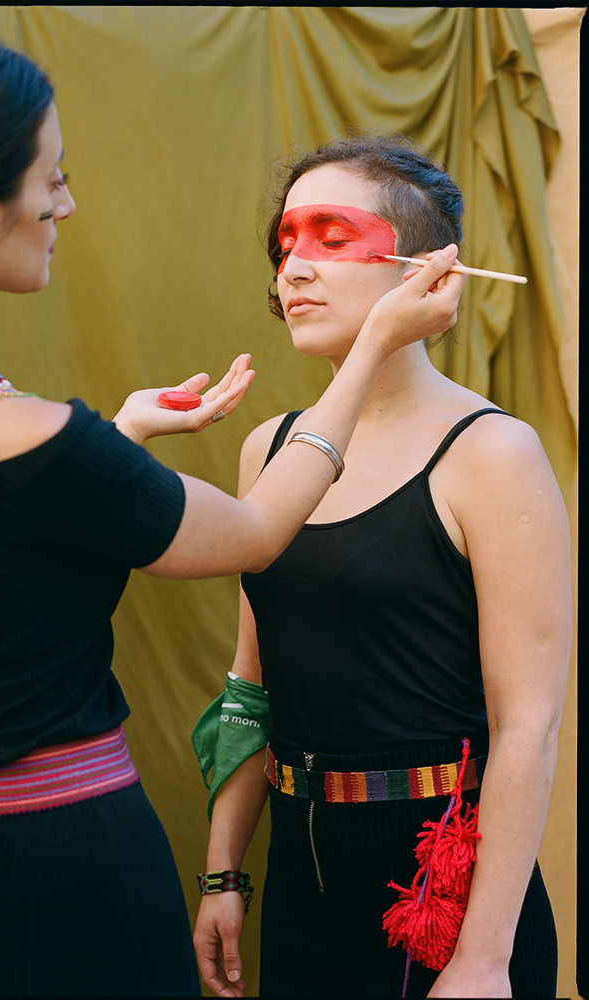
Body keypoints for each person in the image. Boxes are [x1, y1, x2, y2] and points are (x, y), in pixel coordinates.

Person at [0, 26, 466, 997]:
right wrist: (370, 351)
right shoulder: (35, 440)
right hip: (70, 864)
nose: (64, 204)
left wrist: (122, 435)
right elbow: (256, 534)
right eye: (51, 179)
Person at [192, 137, 571, 999]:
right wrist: (223, 871)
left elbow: (529, 724)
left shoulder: (494, 453)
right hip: (299, 878)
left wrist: (484, 958)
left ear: (425, 272)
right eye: (285, 243)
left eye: (332, 239)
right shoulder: (270, 451)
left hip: (442, 891)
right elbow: (250, 688)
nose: (295, 267)